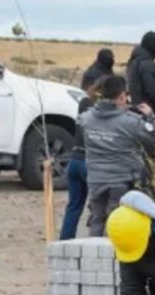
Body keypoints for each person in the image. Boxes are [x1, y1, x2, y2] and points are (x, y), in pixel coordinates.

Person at [80, 75, 155, 235]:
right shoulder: (130, 122)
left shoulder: (87, 118)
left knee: (96, 218)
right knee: (115, 220)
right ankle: (112, 255)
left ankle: (93, 250)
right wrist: (151, 116)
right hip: (120, 180)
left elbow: (82, 124)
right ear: (121, 96)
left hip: (95, 179)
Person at [60, 80, 99, 240]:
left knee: (73, 206)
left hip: (74, 160)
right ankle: (95, 240)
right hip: (89, 162)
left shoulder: (83, 103)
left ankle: (65, 240)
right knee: (98, 206)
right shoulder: (99, 112)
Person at [126, 32, 155, 118]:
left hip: (136, 109)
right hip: (148, 110)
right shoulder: (147, 64)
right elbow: (153, 90)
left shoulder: (134, 60)